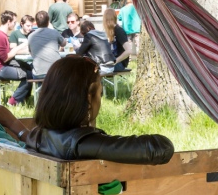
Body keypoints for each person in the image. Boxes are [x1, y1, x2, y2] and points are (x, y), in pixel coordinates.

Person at [27, 56, 173, 164]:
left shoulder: (38, 135)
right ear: (89, 96)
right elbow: (161, 148)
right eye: (100, 93)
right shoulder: (81, 145)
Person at [0, 10, 32, 106]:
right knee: (28, 76)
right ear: (8, 21)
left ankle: (24, 98)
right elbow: (5, 58)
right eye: (14, 22)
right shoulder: (0, 36)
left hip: (3, 66)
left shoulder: (0, 34)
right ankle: (13, 101)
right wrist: (20, 46)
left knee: (29, 69)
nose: (15, 24)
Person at [28, 11, 65, 79]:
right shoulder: (54, 32)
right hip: (55, 71)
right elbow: (64, 43)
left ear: (36, 23)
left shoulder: (31, 36)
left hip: (39, 73)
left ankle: (40, 89)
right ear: (48, 22)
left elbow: (31, 52)